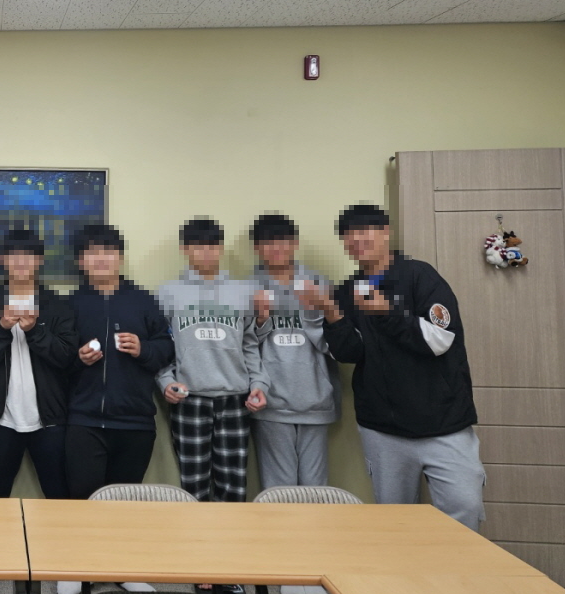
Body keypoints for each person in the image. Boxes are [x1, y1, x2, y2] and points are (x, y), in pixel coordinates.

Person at [298, 204, 485, 529]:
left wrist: (388, 313)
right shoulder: (347, 290)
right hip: (382, 430)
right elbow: (350, 353)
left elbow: (440, 340)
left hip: (445, 424)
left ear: (386, 232)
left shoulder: (420, 276)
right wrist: (331, 313)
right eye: (349, 235)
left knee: (464, 511)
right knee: (395, 524)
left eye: (366, 231)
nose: (358, 240)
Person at [157, 217, 269, 505]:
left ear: (221, 248)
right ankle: (195, 536)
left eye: (212, 245)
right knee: (192, 486)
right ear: (185, 249)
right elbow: (161, 344)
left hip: (235, 398)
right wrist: (166, 381)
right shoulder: (167, 292)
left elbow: (249, 343)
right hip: (189, 398)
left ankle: (230, 536)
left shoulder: (243, 291)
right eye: (198, 246)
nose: (206, 252)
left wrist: (259, 383)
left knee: (233, 487)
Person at [66, 223, 174, 500]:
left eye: (108, 251)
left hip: (135, 423)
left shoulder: (143, 301)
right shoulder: (70, 303)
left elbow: (167, 347)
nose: (101, 258)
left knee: (124, 506)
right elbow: (57, 358)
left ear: (120, 257)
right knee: (81, 501)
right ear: (80, 261)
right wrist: (78, 358)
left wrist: (143, 349)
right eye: (92, 252)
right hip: (83, 421)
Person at [0, 228, 77, 499]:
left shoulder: (57, 305)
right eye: (13, 255)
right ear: (3, 260)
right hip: (1, 418)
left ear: (39, 260)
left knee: (59, 497)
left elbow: (66, 357)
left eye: (28, 255)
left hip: (50, 419)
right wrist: (1, 328)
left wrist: (34, 331)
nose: (21, 262)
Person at [249, 214, 340, 489]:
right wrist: (261, 319)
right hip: (270, 402)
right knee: (279, 489)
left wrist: (315, 311)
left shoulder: (318, 283)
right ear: (257, 247)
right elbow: (244, 347)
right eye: (268, 241)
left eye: (283, 240)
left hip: (314, 399)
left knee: (315, 488)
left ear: (294, 243)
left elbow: (334, 345)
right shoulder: (248, 287)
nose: (276, 247)